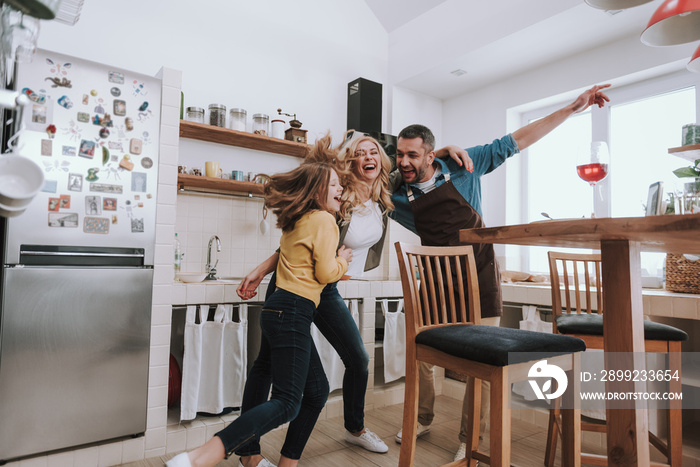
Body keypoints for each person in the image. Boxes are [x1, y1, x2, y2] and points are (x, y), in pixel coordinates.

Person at [389, 84, 611, 462]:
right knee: (422, 355)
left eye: (413, 154)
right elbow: (358, 172)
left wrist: (572, 108)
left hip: (479, 274)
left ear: (429, 154)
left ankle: (470, 438)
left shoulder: (465, 165)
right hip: (435, 280)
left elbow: (518, 139)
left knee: (481, 364)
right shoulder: (394, 189)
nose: (404, 162)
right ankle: (422, 418)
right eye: (400, 154)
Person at [236, 132, 473, 457]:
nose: (368, 157)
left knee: (358, 360)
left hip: (327, 285)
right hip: (296, 285)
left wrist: (442, 150)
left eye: (373, 151)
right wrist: (264, 268)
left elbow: (413, 164)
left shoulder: (382, 193)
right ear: (352, 162)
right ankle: (247, 449)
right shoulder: (337, 194)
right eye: (360, 153)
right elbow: (301, 237)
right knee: (265, 366)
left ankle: (354, 427)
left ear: (380, 161)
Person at [166, 137, 352, 467]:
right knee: (287, 402)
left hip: (277, 307)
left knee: (316, 389)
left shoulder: (299, 220)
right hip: (294, 311)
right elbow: (325, 273)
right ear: (315, 191)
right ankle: (199, 457)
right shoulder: (325, 221)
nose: (341, 190)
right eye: (335, 184)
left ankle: (282, 462)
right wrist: (343, 260)